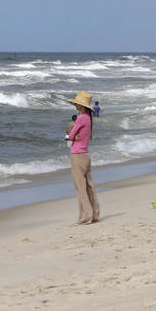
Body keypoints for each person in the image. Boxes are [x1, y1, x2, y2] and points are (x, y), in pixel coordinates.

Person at [67, 91, 100, 225]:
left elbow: (70, 136)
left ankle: (85, 216)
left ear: (81, 106)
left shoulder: (81, 118)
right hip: (85, 154)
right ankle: (95, 213)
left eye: (77, 103)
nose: (75, 105)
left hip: (77, 154)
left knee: (80, 188)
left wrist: (73, 137)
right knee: (89, 186)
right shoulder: (89, 118)